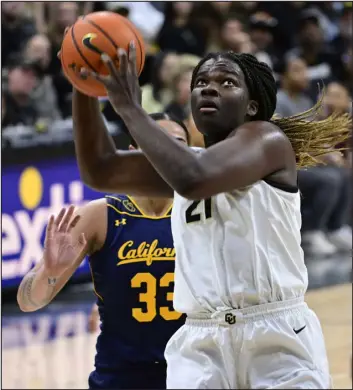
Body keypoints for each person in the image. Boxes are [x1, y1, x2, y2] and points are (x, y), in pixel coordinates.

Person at [72, 42, 350, 388]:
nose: (210, 87)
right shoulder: (184, 162)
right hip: (202, 343)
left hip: (274, 337)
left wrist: (129, 108)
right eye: (201, 81)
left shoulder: (267, 139)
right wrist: (83, 85)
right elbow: (100, 170)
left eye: (227, 82)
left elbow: (195, 179)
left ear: (252, 106)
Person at [17, 113, 189, 389]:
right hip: (119, 377)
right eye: (157, 140)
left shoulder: (200, 214)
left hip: (189, 374)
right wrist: (49, 272)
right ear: (133, 152)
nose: (167, 150)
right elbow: (30, 302)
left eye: (178, 143)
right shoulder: (100, 216)